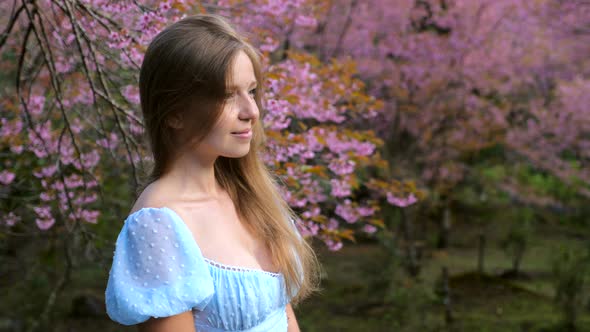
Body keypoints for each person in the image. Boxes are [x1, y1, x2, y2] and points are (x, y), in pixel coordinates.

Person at [105, 13, 319, 332]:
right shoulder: (158, 224)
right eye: (228, 95)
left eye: (252, 91)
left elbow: (283, 315)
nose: (252, 112)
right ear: (175, 113)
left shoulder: (250, 196)